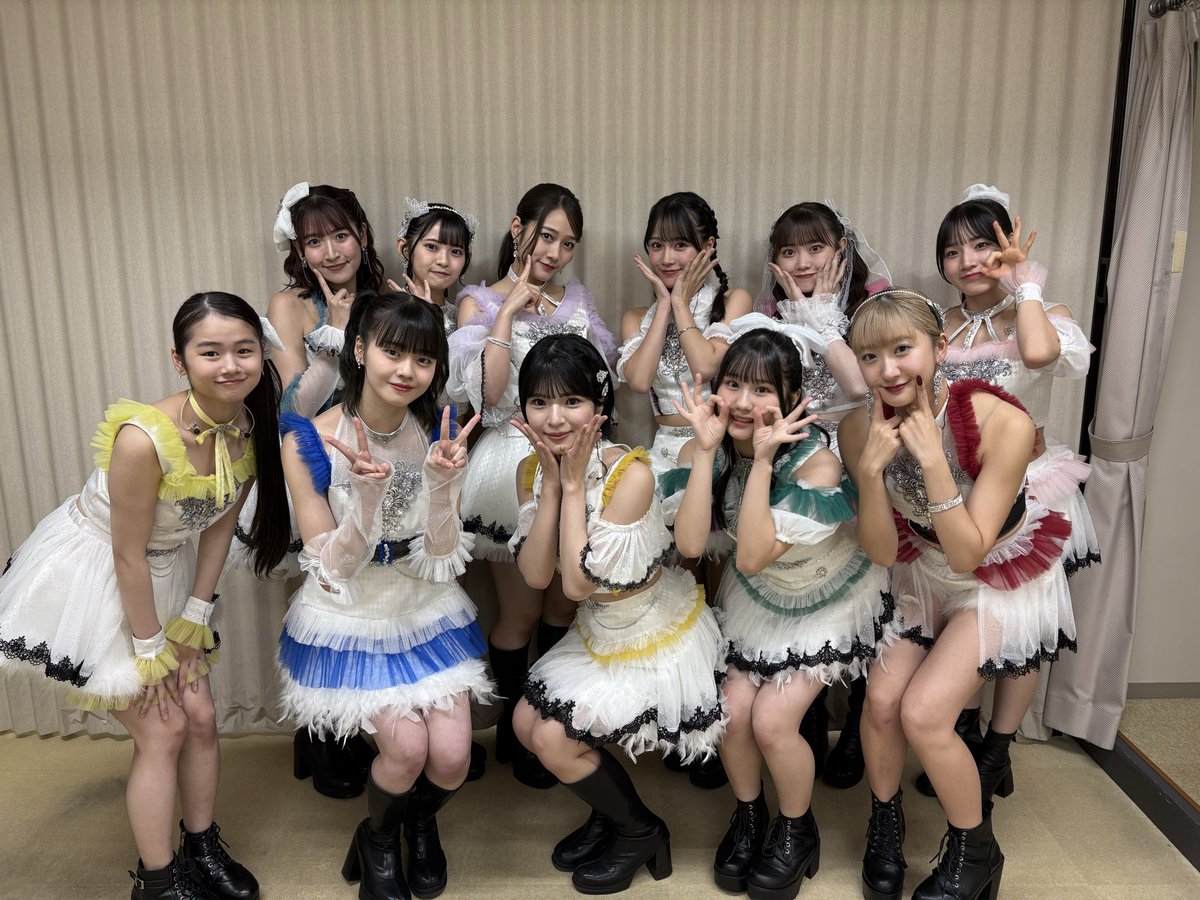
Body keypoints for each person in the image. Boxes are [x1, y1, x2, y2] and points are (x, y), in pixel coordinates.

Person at [0, 292, 289, 899]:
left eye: (244, 350)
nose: (230, 365)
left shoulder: (248, 425)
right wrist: (152, 648)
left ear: (262, 354)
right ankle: (156, 883)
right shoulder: (142, 438)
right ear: (180, 361)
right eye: (210, 352)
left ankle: (201, 848)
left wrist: (194, 620)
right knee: (163, 729)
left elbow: (218, 528)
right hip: (95, 579)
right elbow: (125, 554)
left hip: (164, 574)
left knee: (201, 716)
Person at [838, 289, 1076, 900]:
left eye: (902, 349)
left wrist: (931, 460)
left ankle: (976, 854)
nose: (888, 370)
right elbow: (882, 551)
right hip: (923, 570)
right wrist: (870, 472)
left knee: (923, 713)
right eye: (870, 357)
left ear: (939, 348)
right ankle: (885, 825)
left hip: (994, 576)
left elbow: (970, 551)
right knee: (882, 701)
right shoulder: (857, 428)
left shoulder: (1004, 423)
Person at [277, 291, 493, 900]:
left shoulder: (433, 429)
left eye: (423, 359)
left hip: (423, 604)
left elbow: (441, 553)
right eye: (392, 352)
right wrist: (365, 505)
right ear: (360, 349)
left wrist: (444, 487)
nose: (406, 370)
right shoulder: (309, 439)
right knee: (405, 751)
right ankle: (377, 839)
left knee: (451, 759)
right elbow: (332, 569)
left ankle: (417, 824)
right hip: (351, 612)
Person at [663, 326, 891, 898]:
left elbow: (752, 555)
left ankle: (796, 828)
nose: (744, 403)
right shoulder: (706, 445)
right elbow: (690, 545)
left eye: (763, 390)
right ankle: (749, 814)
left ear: (793, 400)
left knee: (771, 721)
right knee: (733, 712)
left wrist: (763, 461)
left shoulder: (818, 465)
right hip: (759, 597)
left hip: (827, 598)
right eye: (733, 384)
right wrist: (706, 452)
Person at [507, 333, 725, 895]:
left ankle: (642, 831)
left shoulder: (631, 474)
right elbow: (536, 575)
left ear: (599, 405)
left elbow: (577, 585)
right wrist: (553, 489)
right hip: (600, 631)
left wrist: (572, 484)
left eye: (572, 401)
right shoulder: (531, 470)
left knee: (553, 738)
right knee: (526, 725)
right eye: (539, 402)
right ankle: (609, 813)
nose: (555, 418)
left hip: (651, 633)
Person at [913, 183, 1099, 800]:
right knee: (964, 612)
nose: (966, 261)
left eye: (981, 246)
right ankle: (963, 735)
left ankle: (997, 750)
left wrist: (1025, 284)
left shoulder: (1039, 314)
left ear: (1007, 248)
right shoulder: (939, 325)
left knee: (1020, 622)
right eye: (952, 251)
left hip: (1030, 487)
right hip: (957, 488)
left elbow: (1041, 355)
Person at [448, 183, 617, 789]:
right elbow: (487, 395)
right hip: (510, 461)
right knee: (518, 611)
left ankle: (546, 722)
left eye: (567, 244)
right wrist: (509, 312)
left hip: (576, 461)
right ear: (518, 229)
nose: (555, 253)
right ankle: (516, 737)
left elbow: (599, 386)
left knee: (564, 604)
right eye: (546, 237)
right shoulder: (478, 301)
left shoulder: (578, 300)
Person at [760, 200, 893, 790]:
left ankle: (859, 729)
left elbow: (863, 388)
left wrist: (817, 317)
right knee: (805, 585)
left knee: (865, 591)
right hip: (801, 462)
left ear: (842, 250)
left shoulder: (873, 311)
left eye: (816, 248)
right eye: (789, 251)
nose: (803, 261)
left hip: (862, 454)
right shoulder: (768, 318)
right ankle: (808, 720)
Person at [265, 181, 388, 798]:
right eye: (315, 241)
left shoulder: (388, 299)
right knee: (324, 592)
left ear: (362, 235)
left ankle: (372, 727)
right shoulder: (289, 306)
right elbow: (294, 408)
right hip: (313, 458)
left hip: (378, 460)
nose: (331, 251)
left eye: (341, 235)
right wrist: (336, 338)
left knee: (376, 593)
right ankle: (320, 734)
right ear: (299, 249)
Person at [617, 191, 753, 481]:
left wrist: (679, 302)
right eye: (657, 246)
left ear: (707, 246)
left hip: (717, 445)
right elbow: (639, 382)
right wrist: (663, 305)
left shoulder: (733, 301)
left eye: (680, 245)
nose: (666, 259)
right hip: (662, 447)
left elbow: (705, 366)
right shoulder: (636, 318)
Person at [386, 197, 478, 340]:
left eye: (456, 252)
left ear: (467, 258)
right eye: (431, 247)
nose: (443, 261)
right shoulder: (385, 313)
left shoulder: (466, 317)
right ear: (405, 249)